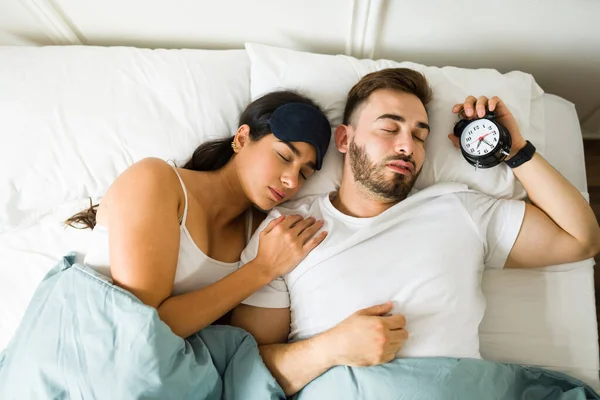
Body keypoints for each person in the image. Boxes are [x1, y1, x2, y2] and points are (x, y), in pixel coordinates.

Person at [231, 68, 600, 396]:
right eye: (389, 129)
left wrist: (513, 148)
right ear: (344, 140)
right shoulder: (288, 230)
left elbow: (580, 238)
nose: (407, 146)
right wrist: (330, 348)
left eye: (420, 136)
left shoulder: (459, 208)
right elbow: (249, 372)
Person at [66, 90, 331, 338]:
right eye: (284, 157)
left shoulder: (264, 233)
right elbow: (140, 327)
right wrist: (261, 269)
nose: (292, 181)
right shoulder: (155, 181)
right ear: (241, 139)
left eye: (305, 173)